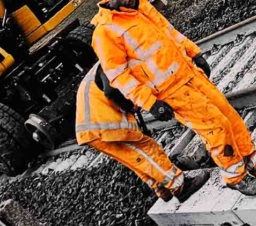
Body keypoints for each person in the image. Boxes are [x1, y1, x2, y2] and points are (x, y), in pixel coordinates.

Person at [89, 0, 256, 196]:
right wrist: (150, 103)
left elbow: (170, 33)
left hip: (189, 74)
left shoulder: (142, 7)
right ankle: (235, 176)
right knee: (216, 127)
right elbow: (119, 77)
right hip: (170, 91)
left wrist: (194, 53)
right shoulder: (105, 32)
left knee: (228, 116)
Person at [75, 63, 210, 202]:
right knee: (147, 150)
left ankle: (162, 189)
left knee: (137, 158)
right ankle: (180, 186)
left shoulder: (97, 71)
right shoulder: (108, 64)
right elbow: (111, 91)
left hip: (93, 131)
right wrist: (130, 105)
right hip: (105, 127)